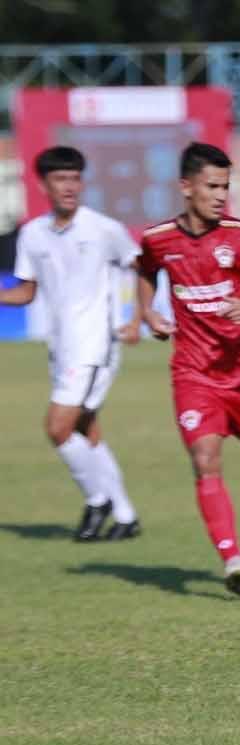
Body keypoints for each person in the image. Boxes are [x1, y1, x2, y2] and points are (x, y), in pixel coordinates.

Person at [135, 142, 240, 598]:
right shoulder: (158, 240)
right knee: (205, 461)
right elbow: (145, 271)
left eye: (225, 187)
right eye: (212, 186)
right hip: (194, 374)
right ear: (186, 187)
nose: (220, 195)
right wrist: (148, 313)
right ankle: (233, 560)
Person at [0, 146, 142, 540]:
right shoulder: (32, 233)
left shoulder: (102, 228)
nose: (70, 186)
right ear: (43, 183)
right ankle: (127, 516)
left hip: (96, 344)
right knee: (84, 429)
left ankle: (98, 500)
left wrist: (137, 318)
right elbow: (26, 292)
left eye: (75, 178)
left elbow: (144, 266)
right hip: (61, 345)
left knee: (57, 427)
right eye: (61, 179)